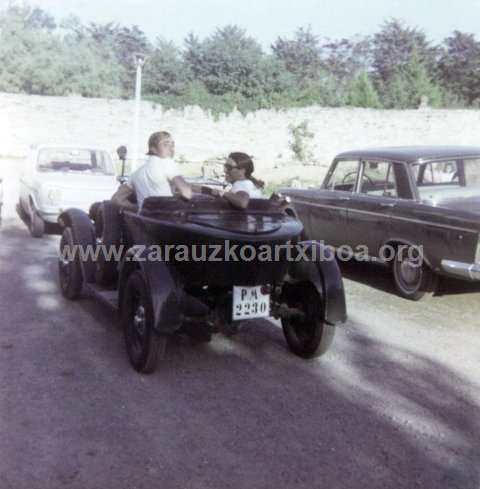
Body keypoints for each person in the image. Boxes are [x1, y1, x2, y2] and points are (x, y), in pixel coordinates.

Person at [111, 131, 192, 211]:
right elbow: (187, 193)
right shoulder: (167, 163)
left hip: (147, 220)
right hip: (168, 219)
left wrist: (138, 208)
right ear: (153, 149)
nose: (171, 149)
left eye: (172, 145)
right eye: (166, 145)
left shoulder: (136, 174)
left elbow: (116, 199)